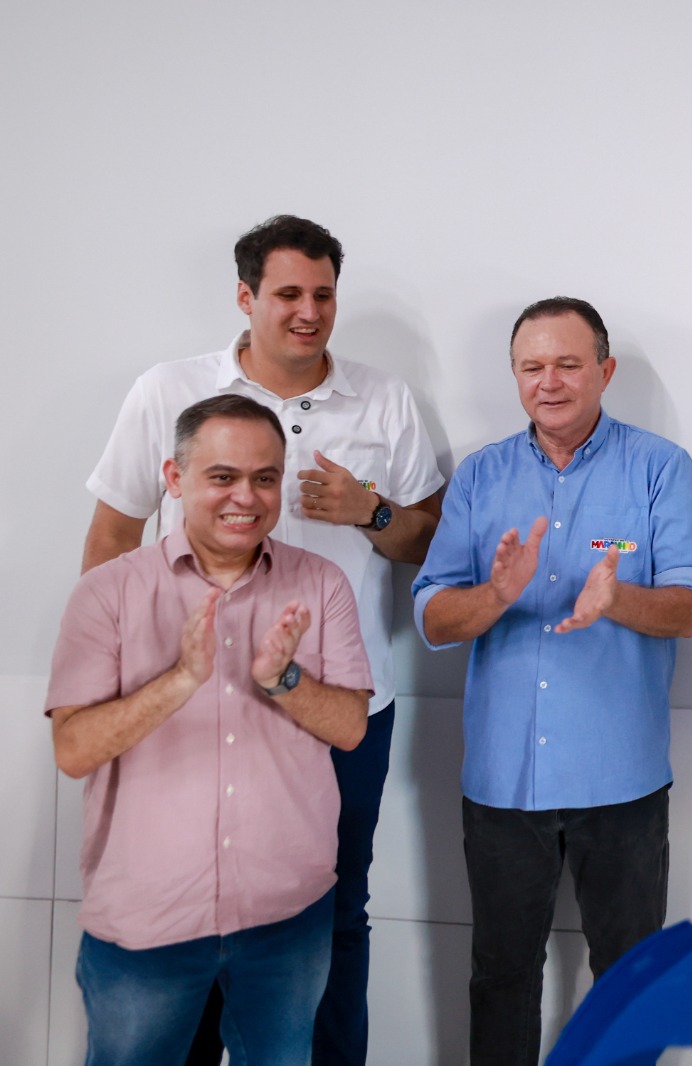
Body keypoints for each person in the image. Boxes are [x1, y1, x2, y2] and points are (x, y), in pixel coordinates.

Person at [81, 215, 446, 1065]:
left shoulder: (385, 400)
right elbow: (112, 538)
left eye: (323, 294)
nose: (308, 312)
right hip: (190, 699)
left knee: (335, 908)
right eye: (287, 294)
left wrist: (371, 512)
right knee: (186, 906)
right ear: (245, 298)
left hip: (342, 707)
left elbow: (430, 544)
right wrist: (118, 685)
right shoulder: (169, 391)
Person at [412, 297, 692, 1062]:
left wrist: (618, 600)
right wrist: (494, 596)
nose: (549, 382)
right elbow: (433, 617)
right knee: (501, 977)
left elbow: (689, 609)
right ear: (515, 376)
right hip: (503, 781)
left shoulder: (660, 468)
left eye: (568, 364)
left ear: (604, 372)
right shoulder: (480, 476)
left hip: (623, 780)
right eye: (532, 366)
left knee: (629, 982)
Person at [47, 395, 372, 1065]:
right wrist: (178, 680)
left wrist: (283, 679)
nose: (245, 497)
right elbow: (73, 751)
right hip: (148, 924)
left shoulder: (322, 584)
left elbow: (349, 729)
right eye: (223, 476)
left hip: (286, 918)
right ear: (175, 478)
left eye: (264, 478)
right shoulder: (107, 592)